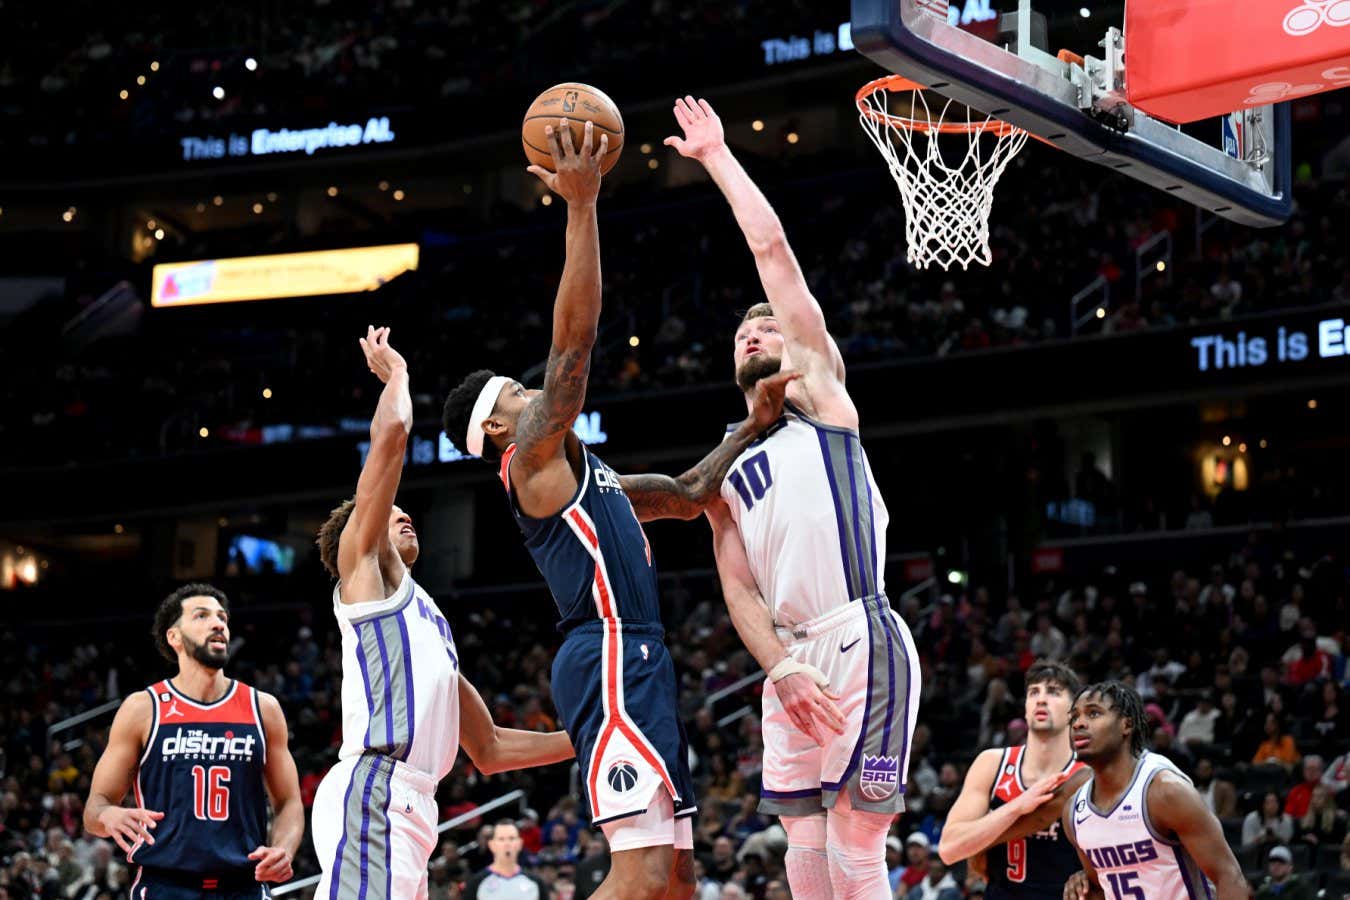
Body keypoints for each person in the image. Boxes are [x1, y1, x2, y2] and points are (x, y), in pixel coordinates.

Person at [441, 119, 792, 900]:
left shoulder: (586, 476)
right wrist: (581, 206)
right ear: (496, 427)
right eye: (516, 391)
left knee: (678, 880)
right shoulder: (529, 461)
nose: (533, 390)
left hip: (639, 657)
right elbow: (573, 352)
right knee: (640, 875)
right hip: (606, 653)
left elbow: (689, 496)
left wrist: (750, 427)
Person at [667, 95, 921, 900]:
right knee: (801, 844)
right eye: (743, 333)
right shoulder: (725, 463)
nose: (753, 333)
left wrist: (716, 157)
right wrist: (779, 668)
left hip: (858, 634)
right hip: (790, 658)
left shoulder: (820, 395)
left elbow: (771, 250)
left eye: (767, 328)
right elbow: (738, 589)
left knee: (855, 841)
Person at [313, 327, 574, 900]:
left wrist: (587, 737)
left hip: (415, 805)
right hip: (375, 788)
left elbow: (490, 748)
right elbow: (391, 439)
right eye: (390, 512)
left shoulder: (428, 621)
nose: (403, 515)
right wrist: (398, 376)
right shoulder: (365, 580)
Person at [83, 583, 304, 898]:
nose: (218, 624)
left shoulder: (263, 709)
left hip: (243, 886)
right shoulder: (143, 708)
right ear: (174, 637)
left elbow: (289, 801)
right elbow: (95, 808)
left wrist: (284, 848)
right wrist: (107, 815)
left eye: (222, 617)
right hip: (165, 886)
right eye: (202, 616)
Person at [1061, 681, 1248, 899]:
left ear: (1126, 725)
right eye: (1074, 717)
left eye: (1093, 713)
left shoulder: (1165, 791)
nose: (1078, 724)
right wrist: (1083, 885)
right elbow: (1100, 888)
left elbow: (1229, 876)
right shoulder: (1074, 812)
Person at [939, 661, 1090, 899]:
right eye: (1034, 692)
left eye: (1053, 692)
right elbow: (949, 849)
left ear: (1074, 711)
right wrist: (1017, 807)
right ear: (1026, 709)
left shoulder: (1089, 773)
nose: (1041, 699)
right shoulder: (992, 764)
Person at [463, 820, 550, 899]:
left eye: (511, 838)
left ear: (520, 843)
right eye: (501, 839)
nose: (507, 844)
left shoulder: (536, 883)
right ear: (492, 845)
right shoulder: (476, 883)